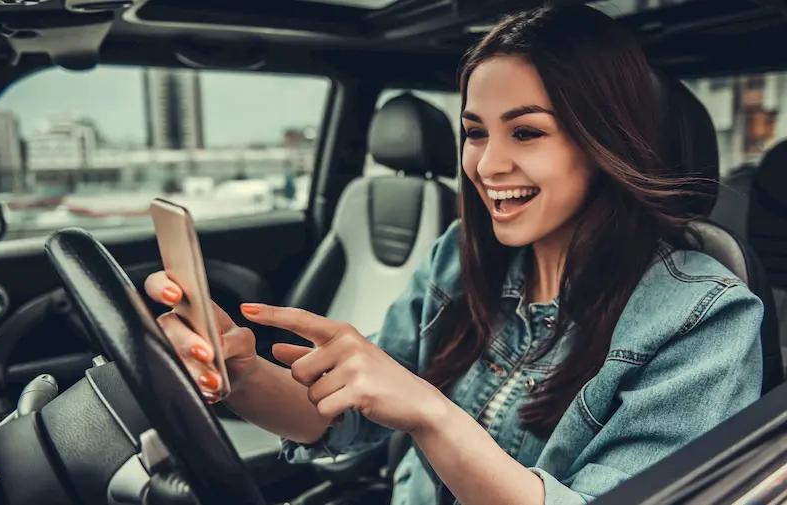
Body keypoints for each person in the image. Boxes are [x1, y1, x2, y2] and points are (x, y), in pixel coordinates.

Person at [145, 5, 763, 504]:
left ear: (604, 140)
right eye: (474, 133)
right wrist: (241, 374)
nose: (486, 166)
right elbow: (343, 421)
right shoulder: (459, 258)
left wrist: (431, 415)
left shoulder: (703, 318)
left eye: (526, 132)